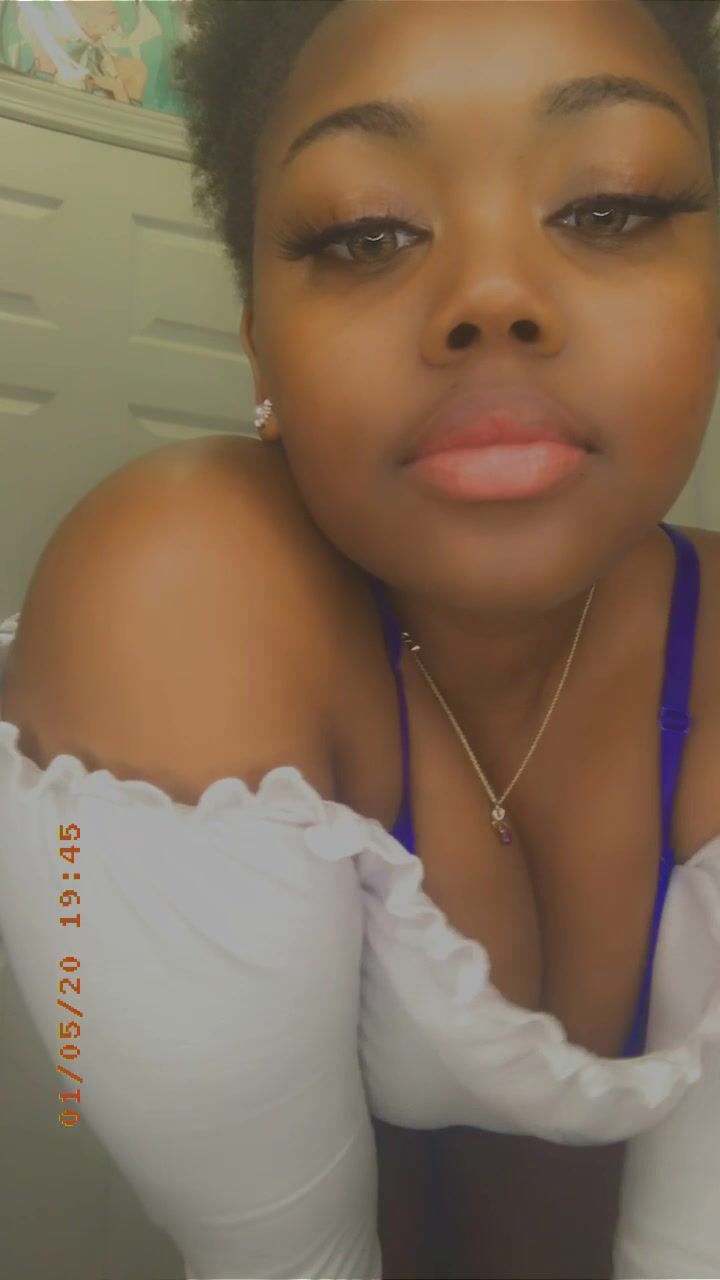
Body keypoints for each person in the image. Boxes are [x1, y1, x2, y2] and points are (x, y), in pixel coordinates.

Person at [1, 1, 720, 1277]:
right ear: (258, 346)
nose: (491, 297)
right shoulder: (178, 589)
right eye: (365, 231)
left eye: (611, 207)